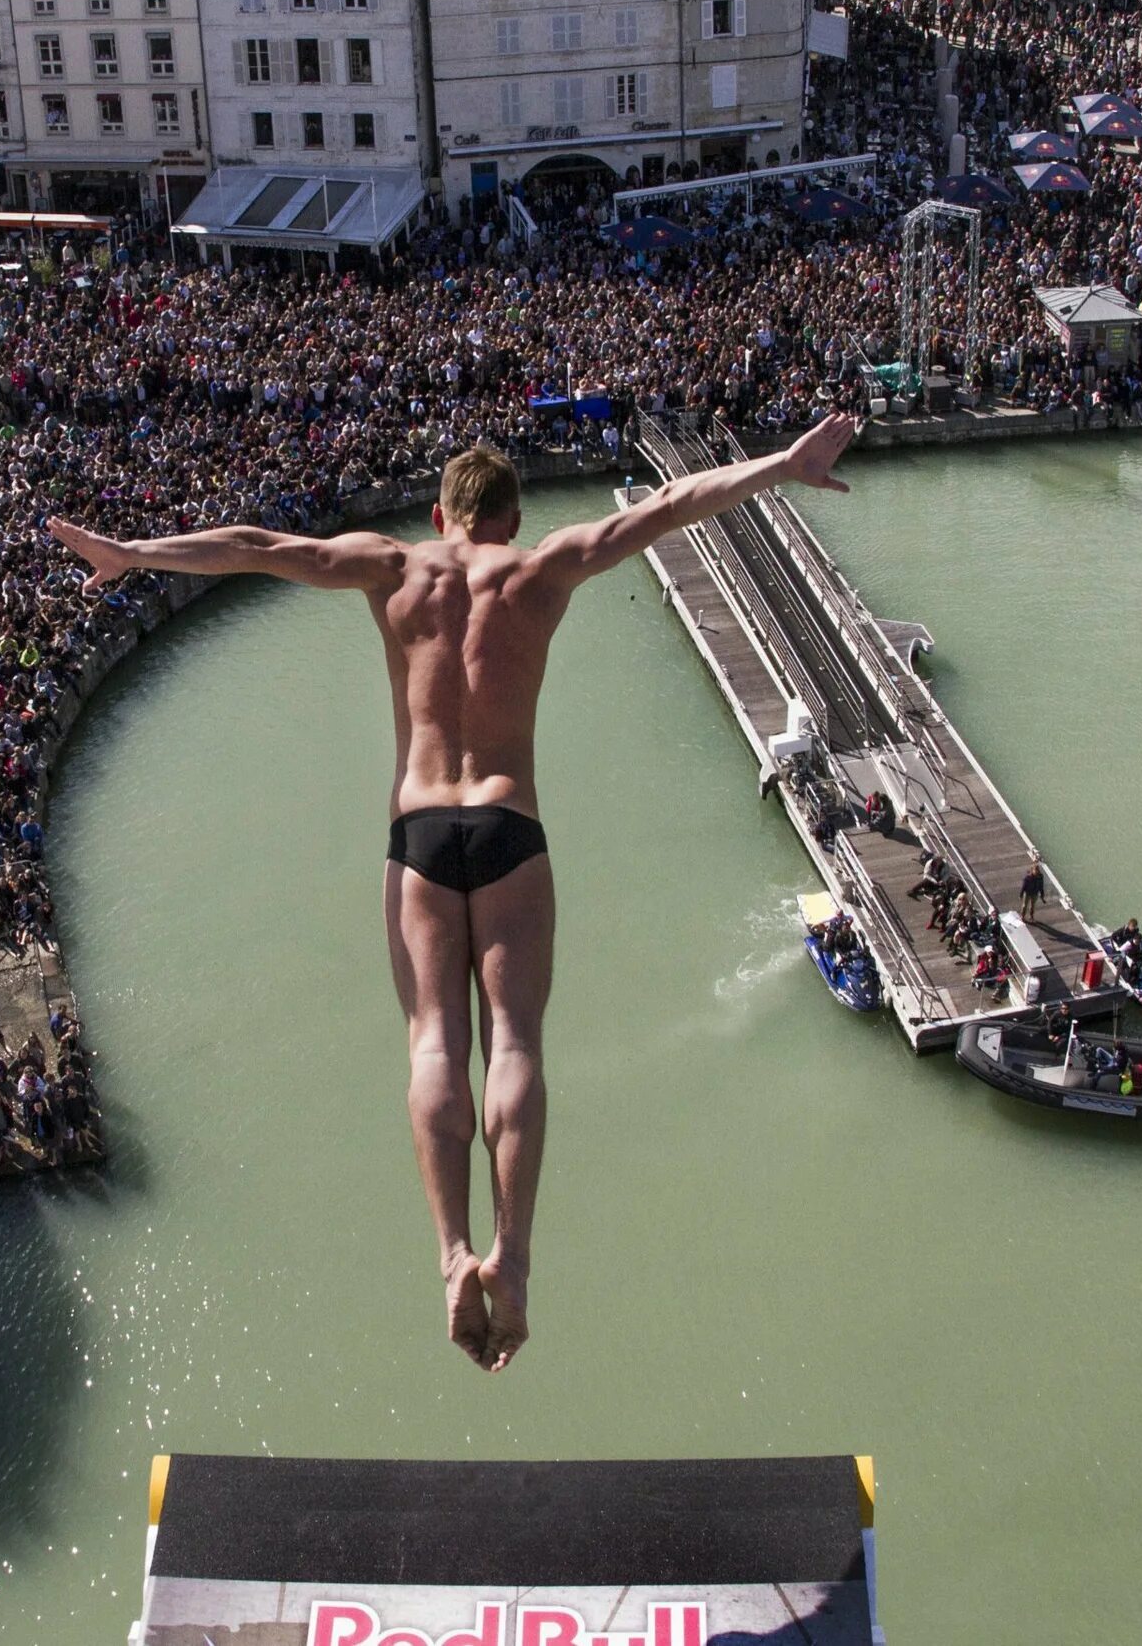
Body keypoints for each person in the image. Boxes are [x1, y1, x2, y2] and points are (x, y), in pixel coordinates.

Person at [51, 413, 858, 1371]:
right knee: (513, 1043)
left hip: (420, 828)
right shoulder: (543, 569)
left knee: (436, 1041)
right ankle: (511, 1257)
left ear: (440, 515)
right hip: (511, 828)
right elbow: (675, 504)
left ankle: (450, 1258)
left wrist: (129, 551)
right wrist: (783, 464)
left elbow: (264, 548)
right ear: (513, 520)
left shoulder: (395, 569)